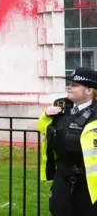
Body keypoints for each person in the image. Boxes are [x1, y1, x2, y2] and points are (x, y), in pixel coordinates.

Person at [38, 67, 97, 215]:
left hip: (88, 183)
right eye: (69, 83)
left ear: (89, 90)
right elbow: (42, 128)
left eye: (74, 85)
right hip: (62, 178)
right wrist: (46, 115)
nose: (68, 87)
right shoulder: (61, 107)